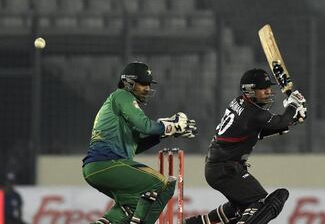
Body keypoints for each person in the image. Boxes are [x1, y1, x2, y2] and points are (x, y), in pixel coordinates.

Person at [185, 68, 307, 224]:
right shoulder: (254, 113)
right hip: (225, 168)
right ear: (249, 90)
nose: (268, 91)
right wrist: (293, 107)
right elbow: (280, 122)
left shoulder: (238, 102)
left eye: (269, 87)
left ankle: (196, 223)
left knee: (242, 209)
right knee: (263, 204)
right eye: (263, 89)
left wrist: (292, 118)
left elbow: (258, 132)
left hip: (218, 167)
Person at [82, 61, 197, 224]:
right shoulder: (122, 96)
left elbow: (136, 146)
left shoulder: (122, 109)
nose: (147, 88)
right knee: (162, 185)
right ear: (128, 82)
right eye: (143, 84)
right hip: (106, 164)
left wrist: (164, 133)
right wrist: (169, 126)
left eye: (149, 84)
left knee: (131, 207)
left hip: (97, 168)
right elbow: (145, 126)